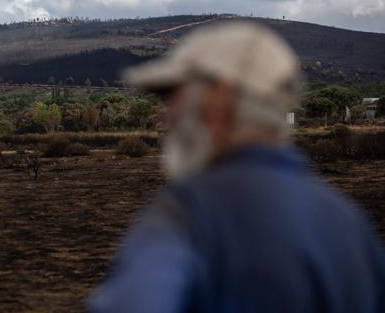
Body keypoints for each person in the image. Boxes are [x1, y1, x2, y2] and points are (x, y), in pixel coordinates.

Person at [87, 22, 385, 313]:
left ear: (220, 98)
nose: (166, 117)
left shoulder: (187, 215)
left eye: (172, 97)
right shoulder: (349, 225)